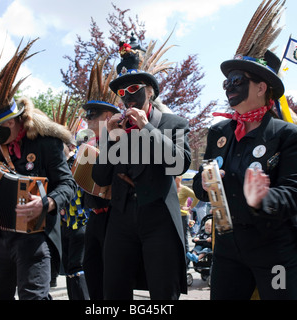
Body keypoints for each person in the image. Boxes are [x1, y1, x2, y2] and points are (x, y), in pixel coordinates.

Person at [193, 0, 297, 300]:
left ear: (262, 87)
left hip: (274, 247)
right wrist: (205, 183)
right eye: (226, 83)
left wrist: (263, 197)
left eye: (237, 81)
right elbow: (198, 185)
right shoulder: (219, 132)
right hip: (227, 249)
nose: (228, 88)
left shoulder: (290, 136)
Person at [0, 39, 77, 300]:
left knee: (34, 297)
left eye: (0, 130)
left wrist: (47, 202)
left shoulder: (46, 144)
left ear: (17, 119)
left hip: (34, 236)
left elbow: (68, 185)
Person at [92, 36, 191, 300]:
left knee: (163, 291)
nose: (127, 97)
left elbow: (179, 163)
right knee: (113, 290)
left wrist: (147, 128)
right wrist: (110, 140)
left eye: (133, 88)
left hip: (158, 216)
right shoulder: (115, 128)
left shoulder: (174, 123)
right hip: (121, 218)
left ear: (149, 91)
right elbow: (100, 177)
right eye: (121, 93)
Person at [80, 57, 121, 300]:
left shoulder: (122, 141)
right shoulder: (88, 145)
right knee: (93, 272)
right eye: (87, 115)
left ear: (109, 116)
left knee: (113, 280)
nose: (88, 119)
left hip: (115, 218)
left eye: (94, 114)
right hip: (93, 219)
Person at [60, 143, 91, 300]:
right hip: (65, 224)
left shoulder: (78, 163)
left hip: (81, 222)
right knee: (69, 267)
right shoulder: (59, 167)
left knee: (77, 266)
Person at [176, 176, 199, 254]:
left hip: (182, 216)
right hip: (173, 216)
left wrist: (190, 207)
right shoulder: (170, 189)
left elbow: (196, 196)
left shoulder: (184, 189)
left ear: (180, 178)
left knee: (184, 238)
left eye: (176, 177)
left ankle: (186, 260)